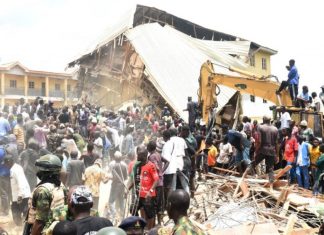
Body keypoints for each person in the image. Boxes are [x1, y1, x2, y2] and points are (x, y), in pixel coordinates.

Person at [27, 154, 66, 235]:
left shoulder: (43, 190)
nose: (38, 172)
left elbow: (40, 222)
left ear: (45, 172)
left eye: (40, 169)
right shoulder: (61, 186)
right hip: (58, 228)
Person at [128, 146, 159, 230]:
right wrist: (128, 189)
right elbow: (135, 180)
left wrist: (150, 191)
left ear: (144, 156)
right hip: (139, 195)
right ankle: (139, 227)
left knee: (150, 214)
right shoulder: (137, 166)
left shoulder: (151, 166)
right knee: (133, 210)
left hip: (148, 196)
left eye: (139, 155)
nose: (137, 157)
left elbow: (156, 180)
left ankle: (150, 230)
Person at [3, 154, 31, 226]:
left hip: (22, 196)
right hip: (18, 196)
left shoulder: (16, 170)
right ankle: (20, 226)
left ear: (9, 162)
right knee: (16, 211)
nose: (5, 165)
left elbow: (21, 182)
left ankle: (23, 228)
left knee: (21, 212)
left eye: (5, 163)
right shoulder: (14, 168)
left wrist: (20, 195)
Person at [252, 115, 279, 190]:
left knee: (252, 163)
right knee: (270, 169)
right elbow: (277, 143)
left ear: (263, 120)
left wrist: (256, 150)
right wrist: (277, 155)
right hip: (272, 151)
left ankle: (249, 177)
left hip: (262, 149)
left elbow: (259, 141)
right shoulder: (275, 129)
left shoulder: (260, 127)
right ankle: (271, 186)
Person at [108, 151, 128, 222]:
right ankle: (122, 218)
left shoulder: (113, 166)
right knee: (121, 201)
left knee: (110, 201)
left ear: (115, 158)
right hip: (122, 186)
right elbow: (126, 177)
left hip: (115, 186)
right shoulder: (125, 165)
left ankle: (114, 216)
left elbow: (113, 177)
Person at [146, 141, 164, 224]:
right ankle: (159, 223)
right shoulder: (158, 154)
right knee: (159, 203)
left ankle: (153, 224)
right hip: (160, 182)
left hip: (155, 183)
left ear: (149, 148)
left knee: (153, 204)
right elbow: (166, 161)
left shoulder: (152, 157)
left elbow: (155, 167)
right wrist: (162, 172)